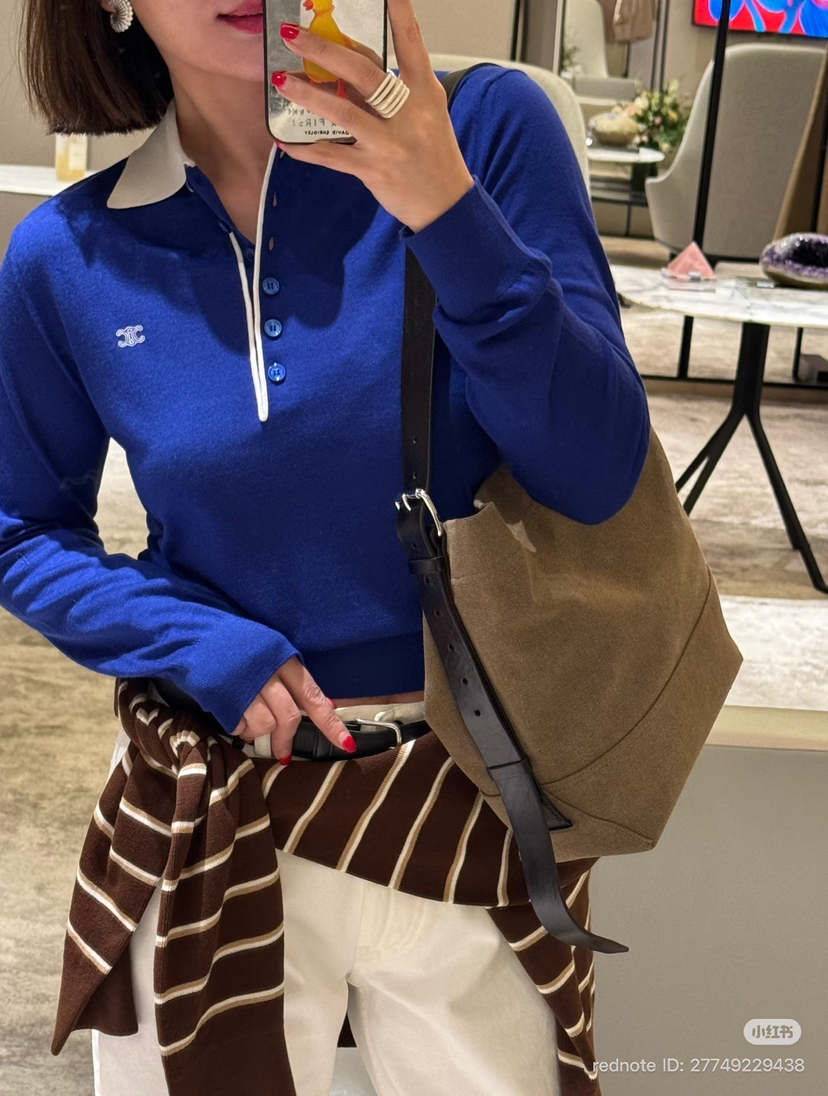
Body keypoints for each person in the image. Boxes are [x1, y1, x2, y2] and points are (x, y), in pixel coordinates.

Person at [2, 0, 651, 1091]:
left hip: (473, 794)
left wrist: (444, 207)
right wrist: (188, 639)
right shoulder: (70, 252)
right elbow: (18, 526)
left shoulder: (484, 128)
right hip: (214, 803)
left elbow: (596, 472)